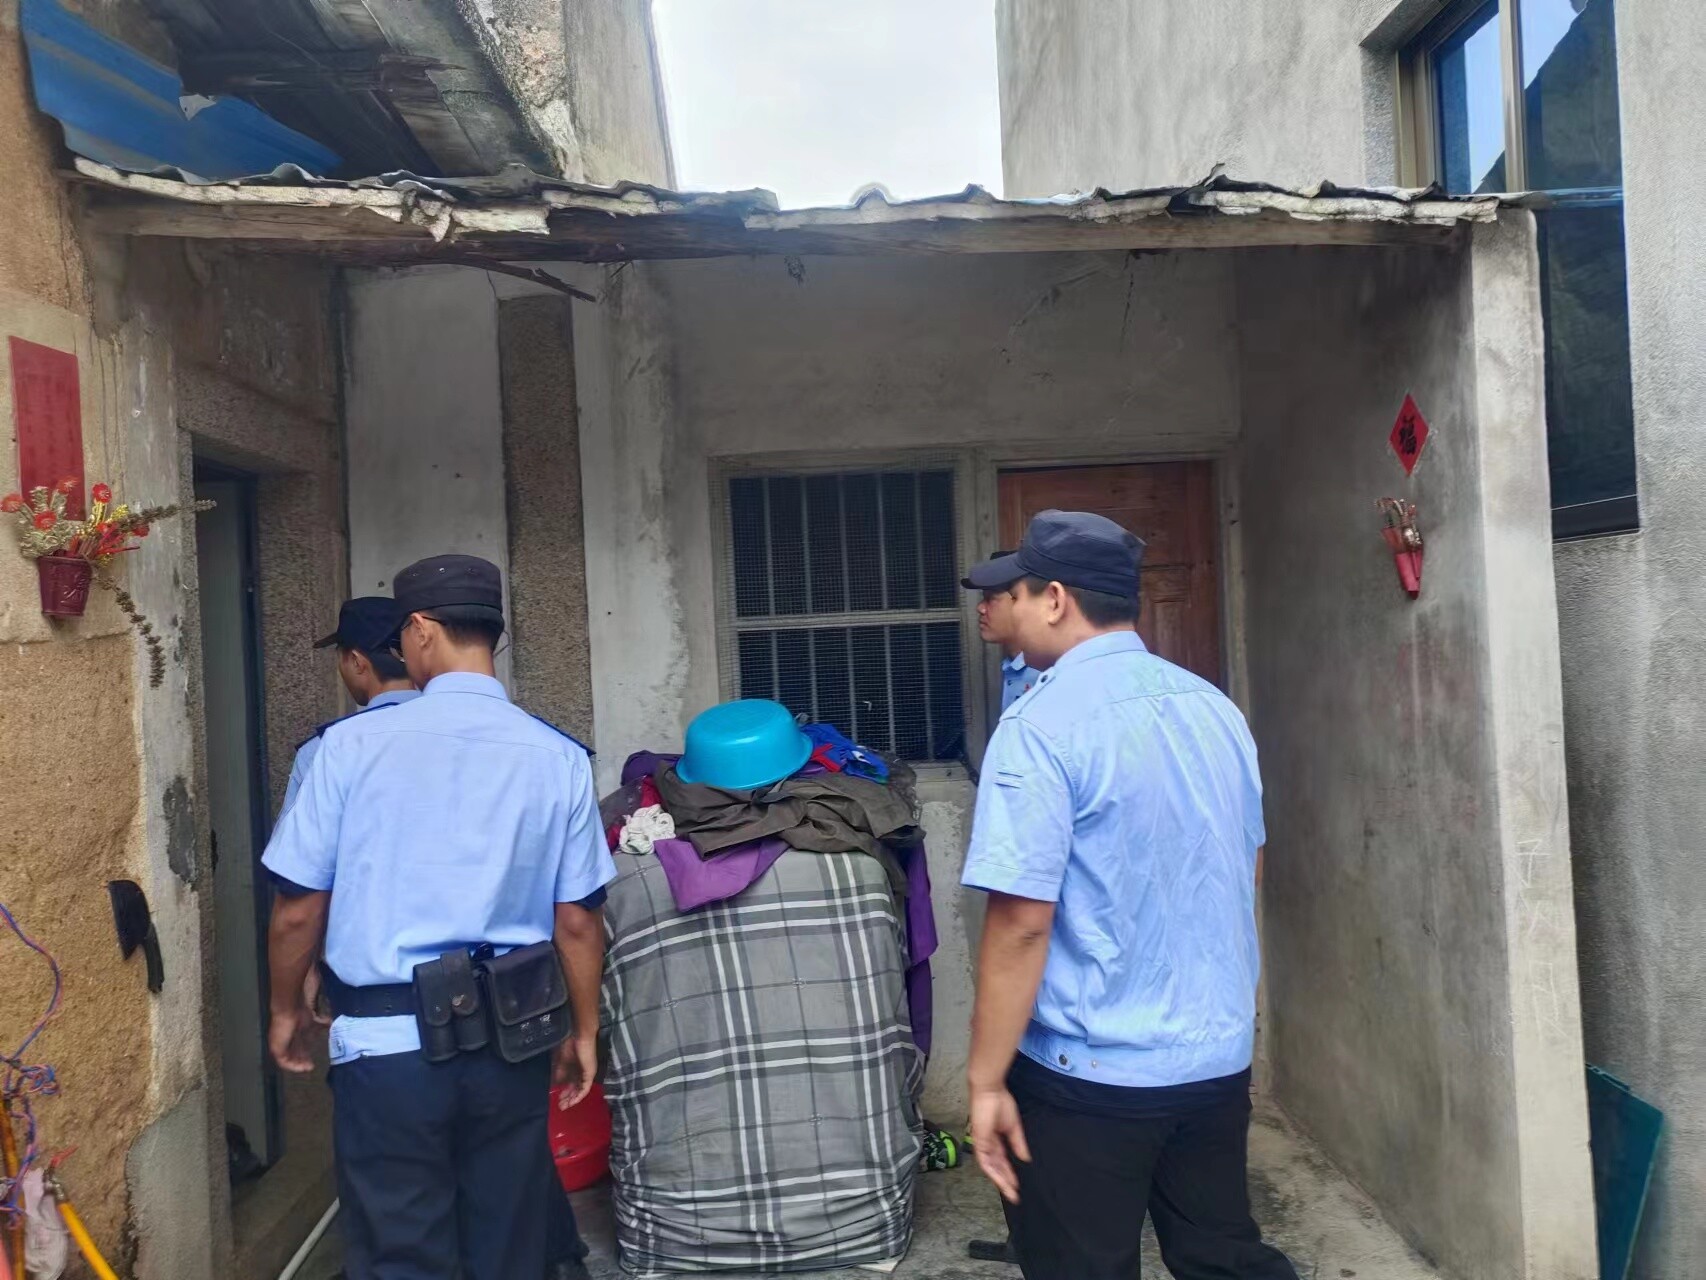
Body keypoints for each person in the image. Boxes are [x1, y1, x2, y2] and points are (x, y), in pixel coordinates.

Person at [958, 511, 1297, 1280]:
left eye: (1017, 592)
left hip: (1087, 1074)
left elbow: (1021, 925)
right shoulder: (1215, 708)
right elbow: (1244, 867)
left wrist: (985, 1081)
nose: (1001, 608)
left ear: (1053, 599)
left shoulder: (1040, 725)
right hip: (1213, 1062)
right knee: (1221, 1257)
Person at [260, 555, 614, 1280]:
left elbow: (298, 909)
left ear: (420, 629)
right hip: (512, 1047)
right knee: (509, 1251)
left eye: (403, 633)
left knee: (401, 1254)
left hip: (387, 1051)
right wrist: (583, 1031)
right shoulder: (557, 755)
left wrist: (284, 1008)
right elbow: (578, 921)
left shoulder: (346, 748)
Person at [280, 596, 419, 816]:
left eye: (339, 657)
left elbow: (294, 837)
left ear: (356, 661)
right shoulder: (459, 728)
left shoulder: (325, 750)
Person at [967, 550, 1043, 713]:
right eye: (983, 598)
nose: (980, 608)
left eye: (991, 598)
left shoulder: (1048, 673)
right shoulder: (1014, 666)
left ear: (1023, 600)